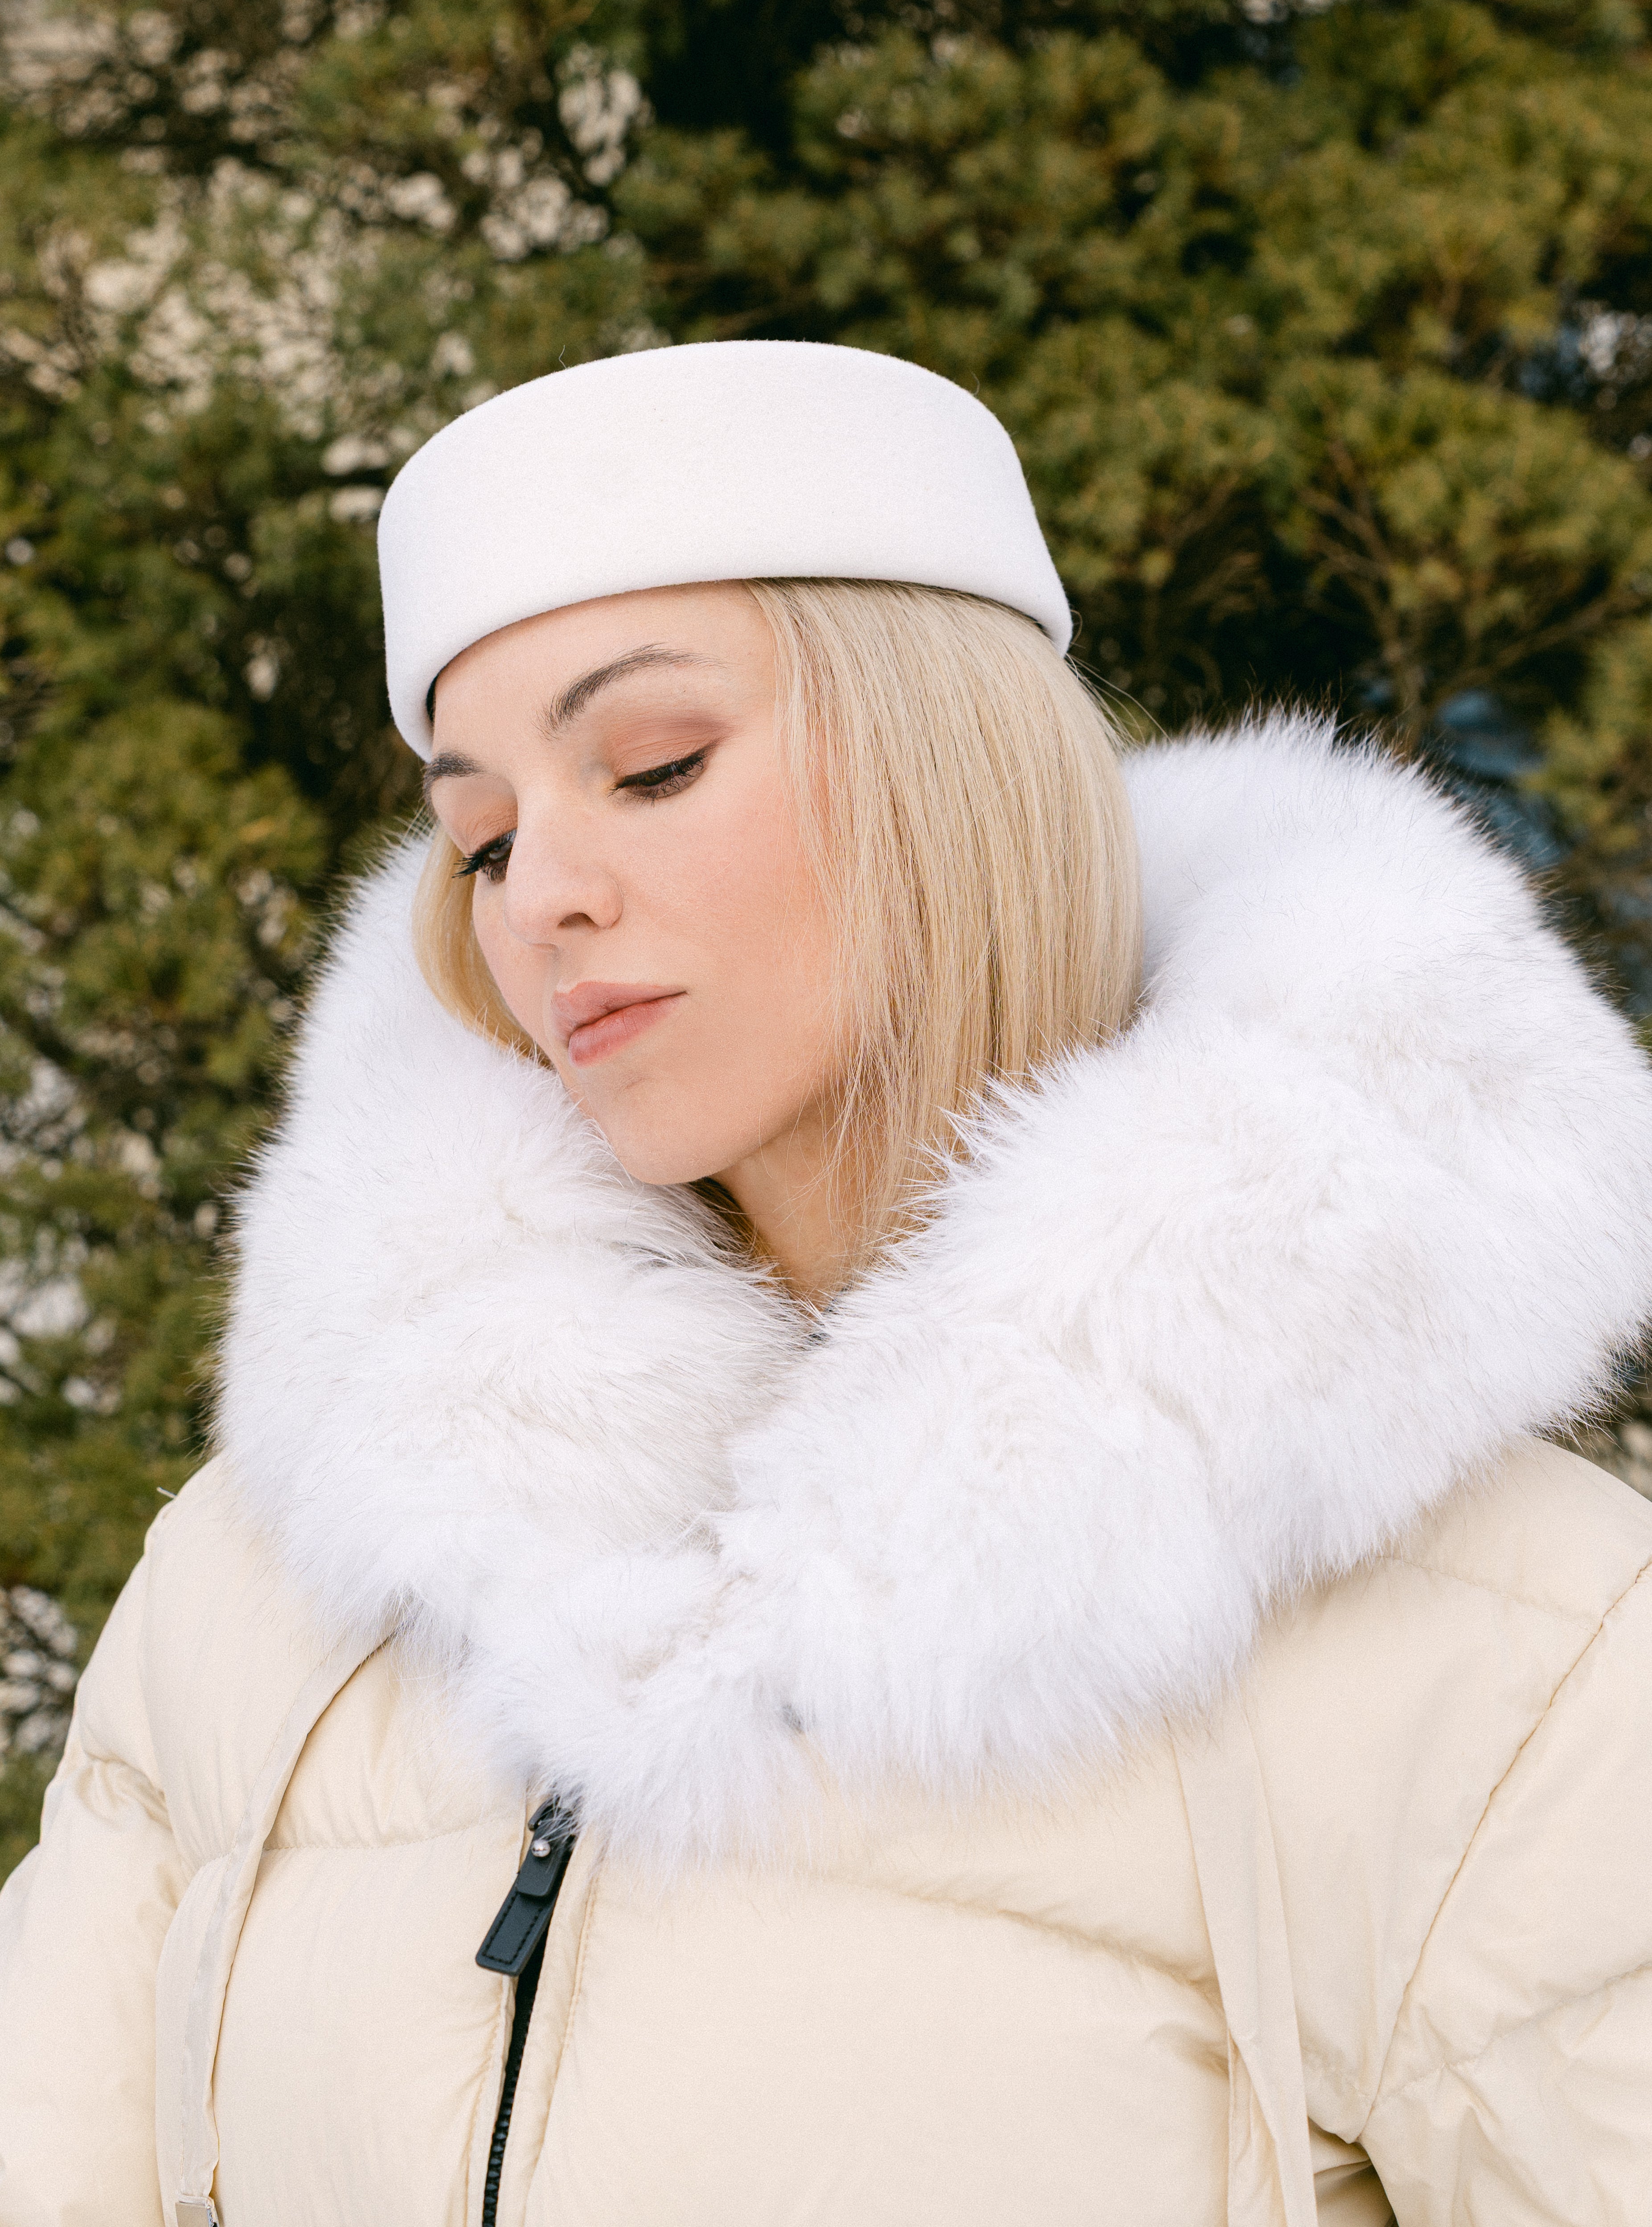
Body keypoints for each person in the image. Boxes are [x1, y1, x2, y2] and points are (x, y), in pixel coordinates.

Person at [2, 341, 1651, 2227]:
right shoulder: (270, 1582)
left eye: (652, 764)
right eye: (482, 831)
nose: (540, 887)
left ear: (947, 760)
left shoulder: (1517, 1649)